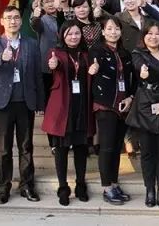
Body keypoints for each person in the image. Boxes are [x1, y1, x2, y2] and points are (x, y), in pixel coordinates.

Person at [0, 6, 44, 205]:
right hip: (4, 103)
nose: (13, 21)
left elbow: (37, 74)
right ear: (2, 21)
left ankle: (27, 185)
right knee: (4, 148)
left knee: (26, 146)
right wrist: (1, 58)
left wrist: (40, 101)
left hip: (25, 102)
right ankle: (4, 187)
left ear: (21, 21)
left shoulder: (31, 44)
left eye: (16, 17)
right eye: (9, 18)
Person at [42, 21, 94, 206]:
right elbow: (53, 67)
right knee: (61, 150)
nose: (74, 37)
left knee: (81, 149)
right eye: (70, 34)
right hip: (63, 107)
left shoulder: (86, 54)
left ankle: (80, 185)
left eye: (77, 33)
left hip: (82, 106)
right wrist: (53, 64)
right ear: (63, 36)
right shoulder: (55, 53)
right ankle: (63, 188)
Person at [127, 21, 159, 207]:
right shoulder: (138, 54)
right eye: (150, 33)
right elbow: (139, 68)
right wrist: (144, 73)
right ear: (144, 36)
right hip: (145, 104)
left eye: (157, 34)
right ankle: (149, 189)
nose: (153, 37)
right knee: (147, 152)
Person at [89, 16, 135, 205]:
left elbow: (132, 80)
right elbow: (90, 74)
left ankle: (114, 183)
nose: (113, 32)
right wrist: (92, 70)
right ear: (102, 31)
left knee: (117, 147)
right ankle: (106, 187)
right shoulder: (96, 51)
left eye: (116, 29)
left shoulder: (125, 53)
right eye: (109, 29)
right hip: (105, 105)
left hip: (123, 105)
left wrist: (130, 98)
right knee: (107, 147)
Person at [30, 0, 61, 152]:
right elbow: (35, 25)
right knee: (50, 106)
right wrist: (35, 16)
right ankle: (53, 142)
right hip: (47, 70)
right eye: (46, 2)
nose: (50, 4)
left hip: (65, 67)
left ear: (59, 0)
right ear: (42, 5)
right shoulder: (42, 20)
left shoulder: (66, 17)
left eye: (53, 0)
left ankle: (64, 139)